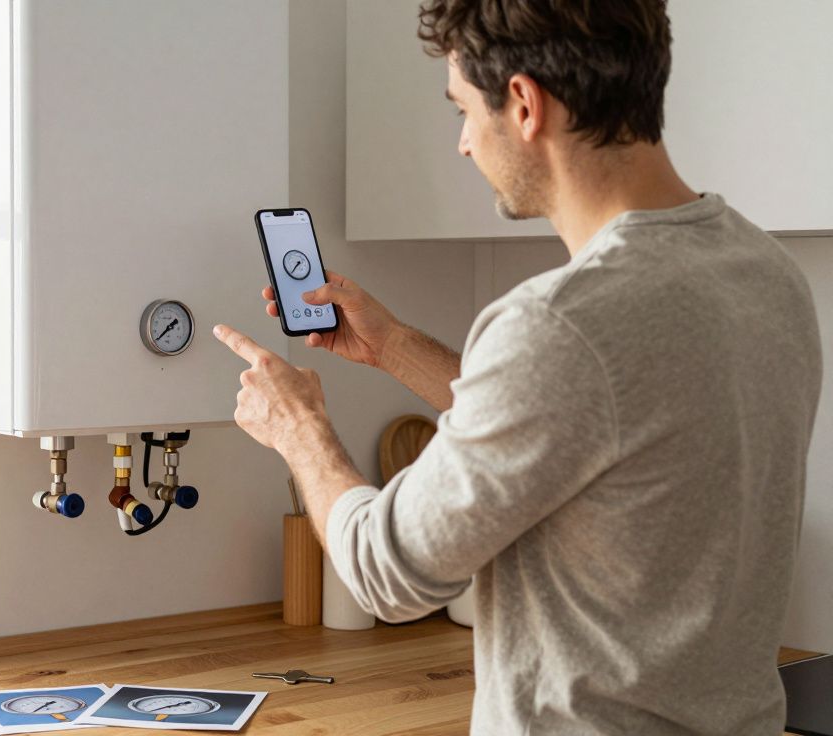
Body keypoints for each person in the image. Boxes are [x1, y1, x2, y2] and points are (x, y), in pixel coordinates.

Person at [212, 0, 822, 733]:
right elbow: (593, 422)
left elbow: (385, 572)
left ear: (526, 104)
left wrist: (299, 427)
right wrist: (395, 346)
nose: (464, 144)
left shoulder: (560, 322)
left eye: (464, 109)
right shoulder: (761, 269)